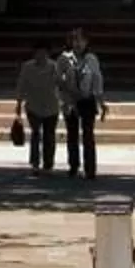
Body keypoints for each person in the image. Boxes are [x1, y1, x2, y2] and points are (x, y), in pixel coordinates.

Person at [60, 27, 105, 180]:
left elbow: (97, 80)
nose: (78, 44)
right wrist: (63, 100)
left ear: (86, 42)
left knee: (88, 135)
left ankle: (90, 169)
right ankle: (73, 165)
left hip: (87, 100)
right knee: (72, 135)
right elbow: (59, 80)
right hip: (71, 100)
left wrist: (101, 101)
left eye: (81, 40)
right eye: (75, 40)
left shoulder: (91, 59)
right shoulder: (65, 58)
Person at [13, 44, 63, 175]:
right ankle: (35, 162)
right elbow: (21, 85)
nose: (41, 56)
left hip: (51, 106)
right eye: (38, 53)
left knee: (49, 135)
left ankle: (48, 164)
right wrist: (18, 103)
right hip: (33, 106)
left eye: (44, 53)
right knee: (35, 134)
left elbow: (62, 84)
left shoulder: (54, 67)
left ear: (48, 54)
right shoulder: (27, 67)